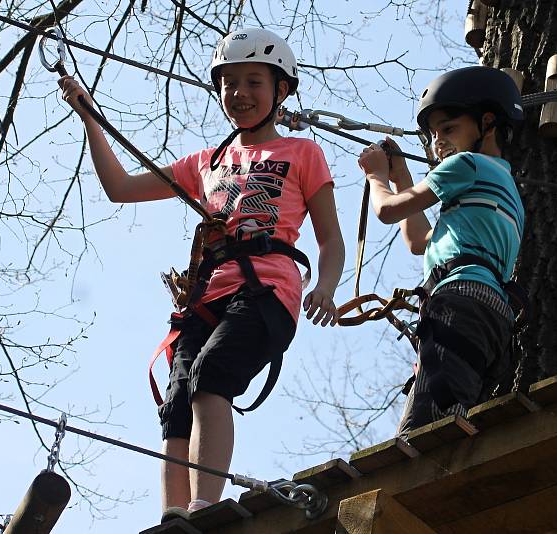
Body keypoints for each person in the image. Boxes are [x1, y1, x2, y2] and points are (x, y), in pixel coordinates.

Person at [59, 28, 344, 520]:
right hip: (207, 294)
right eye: (229, 83)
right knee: (178, 397)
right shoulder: (205, 163)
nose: (239, 93)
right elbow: (120, 187)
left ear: (281, 90)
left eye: (254, 81)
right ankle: (173, 515)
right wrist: (91, 120)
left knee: (213, 375)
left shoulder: (302, 154)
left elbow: (330, 238)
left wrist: (326, 284)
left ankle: (203, 503)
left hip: (268, 288)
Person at [357, 66, 524, 437]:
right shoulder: (503, 185)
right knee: (454, 411)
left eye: (448, 129)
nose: (437, 143)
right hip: (493, 313)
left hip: (459, 300)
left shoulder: (467, 164)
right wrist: (401, 175)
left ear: (487, 122)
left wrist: (376, 176)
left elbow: (386, 211)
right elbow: (419, 240)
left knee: (426, 424)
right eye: (433, 135)